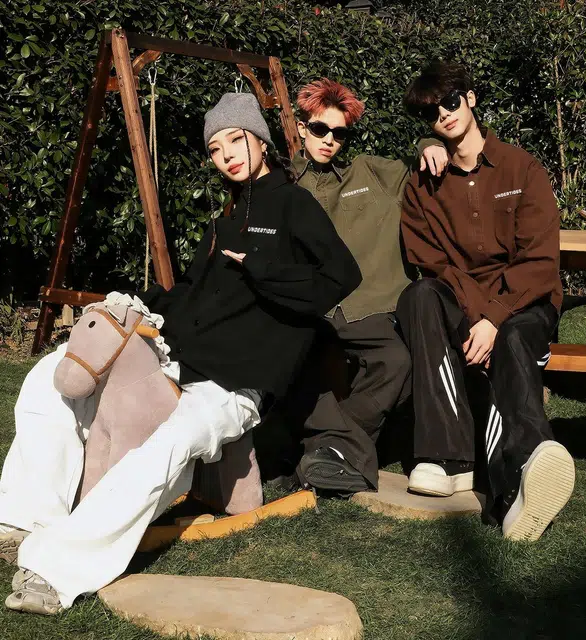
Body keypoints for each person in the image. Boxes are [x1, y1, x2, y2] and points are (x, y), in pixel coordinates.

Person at [0, 92, 361, 614]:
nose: (227, 155)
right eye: (215, 148)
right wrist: (137, 305)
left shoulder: (293, 204)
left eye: (235, 140)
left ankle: (54, 572)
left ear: (260, 140)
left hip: (236, 382)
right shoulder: (226, 217)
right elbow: (190, 290)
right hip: (181, 355)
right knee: (49, 373)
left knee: (167, 443)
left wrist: (262, 269)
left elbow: (341, 276)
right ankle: (25, 516)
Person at [396, 60, 575, 541]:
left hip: (527, 303)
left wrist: (494, 319)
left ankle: (518, 480)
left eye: (450, 101)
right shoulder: (422, 184)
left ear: (470, 98)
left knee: (513, 339)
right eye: (431, 113)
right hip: (464, 303)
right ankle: (445, 458)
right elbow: (430, 261)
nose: (444, 114)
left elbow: (540, 262)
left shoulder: (522, 168)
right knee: (419, 295)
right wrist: (479, 316)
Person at [287, 78, 448, 494]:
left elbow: (417, 165)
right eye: (320, 129)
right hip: (311, 309)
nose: (330, 140)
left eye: (339, 133)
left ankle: (327, 448)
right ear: (302, 127)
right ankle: (337, 451)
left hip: (369, 305)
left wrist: (429, 142)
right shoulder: (284, 184)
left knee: (400, 362)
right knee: (296, 363)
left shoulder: (369, 172)